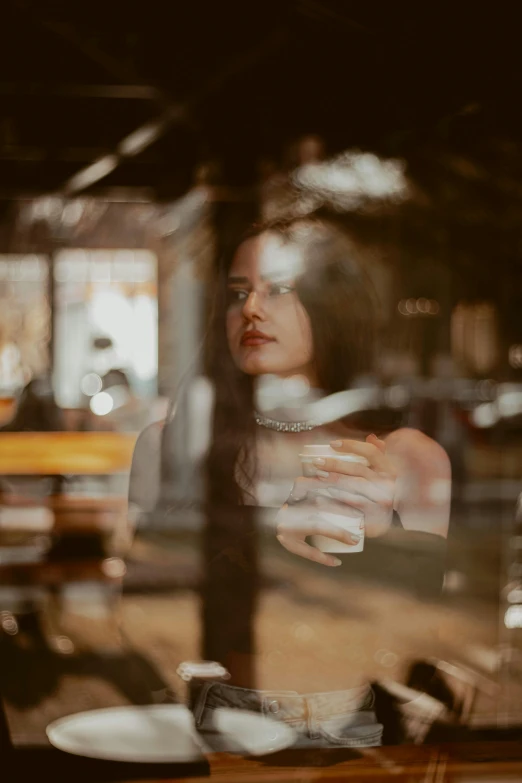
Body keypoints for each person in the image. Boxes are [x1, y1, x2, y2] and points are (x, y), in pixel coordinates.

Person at [129, 214, 451, 749]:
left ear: (332, 306)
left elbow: (426, 640)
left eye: (279, 289)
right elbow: (130, 615)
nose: (251, 309)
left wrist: (382, 548)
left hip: (361, 732)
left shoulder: (406, 461)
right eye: (238, 293)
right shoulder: (170, 444)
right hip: (215, 726)